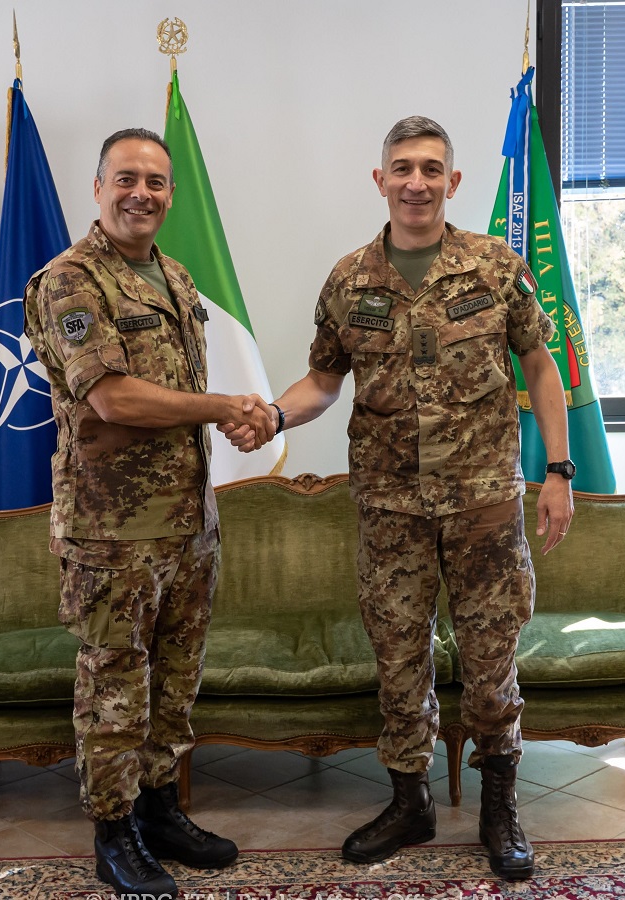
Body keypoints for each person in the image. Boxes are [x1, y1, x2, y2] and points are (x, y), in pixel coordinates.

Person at [222, 116, 574, 881]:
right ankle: (410, 803)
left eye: (432, 168)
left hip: (483, 504)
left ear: (453, 181)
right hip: (391, 509)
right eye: (403, 168)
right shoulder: (349, 280)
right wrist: (274, 415)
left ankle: (499, 808)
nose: (417, 182)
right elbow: (323, 382)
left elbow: (540, 365)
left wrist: (559, 471)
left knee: (491, 659)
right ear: (380, 180)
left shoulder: (494, 267)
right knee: (398, 658)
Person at [24, 128, 277, 898]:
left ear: (170, 194)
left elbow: (176, 392)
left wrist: (234, 419)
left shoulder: (176, 276)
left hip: (187, 522)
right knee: (114, 690)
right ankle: (114, 833)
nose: (142, 194)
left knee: (174, 682)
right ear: (98, 188)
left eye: (156, 182)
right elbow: (113, 397)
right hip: (113, 532)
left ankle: (160, 811)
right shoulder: (70, 281)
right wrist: (226, 407)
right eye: (126, 178)